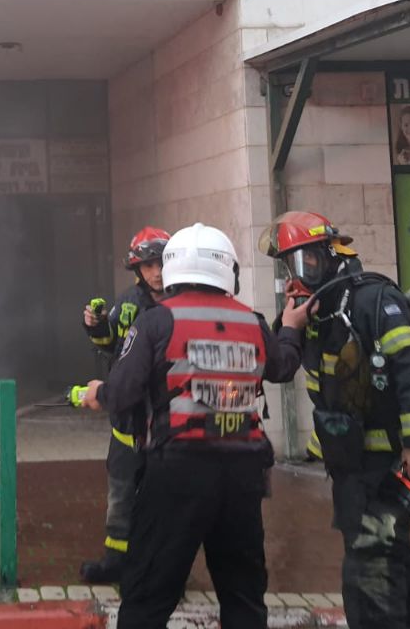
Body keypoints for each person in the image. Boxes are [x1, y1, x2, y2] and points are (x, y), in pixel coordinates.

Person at [80, 223, 306, 629]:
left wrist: (99, 391)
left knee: (148, 593)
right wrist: (290, 327)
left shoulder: (156, 321)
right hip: (243, 476)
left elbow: (124, 392)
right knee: (243, 595)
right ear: (228, 271)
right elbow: (284, 367)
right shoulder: (251, 322)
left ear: (172, 269)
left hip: (176, 471)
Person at [259, 211, 410, 629]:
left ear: (330, 253)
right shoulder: (320, 309)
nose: (298, 272)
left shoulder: (373, 299)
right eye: (290, 264)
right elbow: (277, 360)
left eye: (304, 260)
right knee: (390, 555)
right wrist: (290, 319)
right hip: (352, 467)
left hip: (385, 465)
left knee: (369, 572)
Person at [77, 225, 169, 584]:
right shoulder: (129, 303)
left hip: (164, 426)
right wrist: (96, 324)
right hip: (128, 424)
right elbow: (109, 342)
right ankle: (116, 563)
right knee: (120, 496)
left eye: (160, 263)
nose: (156, 272)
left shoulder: (183, 301)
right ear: (138, 270)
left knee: (162, 503)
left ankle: (162, 571)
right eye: (148, 266)